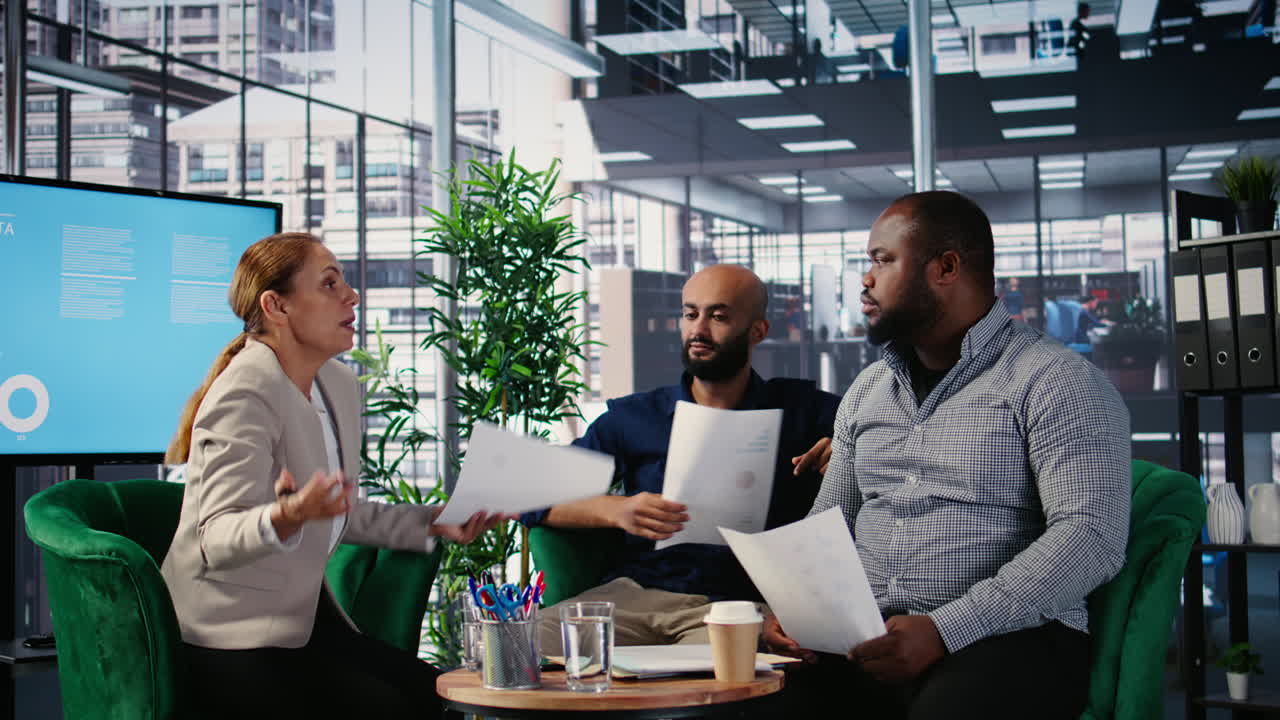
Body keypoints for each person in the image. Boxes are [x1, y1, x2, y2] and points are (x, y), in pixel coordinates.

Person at [764, 192, 1130, 719]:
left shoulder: (1057, 380)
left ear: (946, 268)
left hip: (1009, 639)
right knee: (754, 702)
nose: (865, 279)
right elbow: (829, 523)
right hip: (869, 638)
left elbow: (1091, 537)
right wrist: (797, 604)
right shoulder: (867, 390)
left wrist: (944, 630)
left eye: (883, 260)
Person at [160, 232, 506, 718]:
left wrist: (435, 521)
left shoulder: (337, 384)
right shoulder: (245, 393)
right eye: (329, 284)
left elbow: (338, 509)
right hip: (226, 635)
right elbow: (214, 538)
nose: (353, 295)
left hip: (302, 622)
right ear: (277, 306)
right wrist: (288, 515)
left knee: (435, 698)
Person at [522, 264, 840, 654]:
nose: (698, 330)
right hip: (636, 596)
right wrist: (615, 509)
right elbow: (530, 496)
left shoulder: (805, 411)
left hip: (741, 605)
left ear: (757, 331)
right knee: (518, 646)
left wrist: (845, 454)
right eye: (690, 314)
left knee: (714, 671)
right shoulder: (636, 417)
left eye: (718, 317)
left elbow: (892, 451)